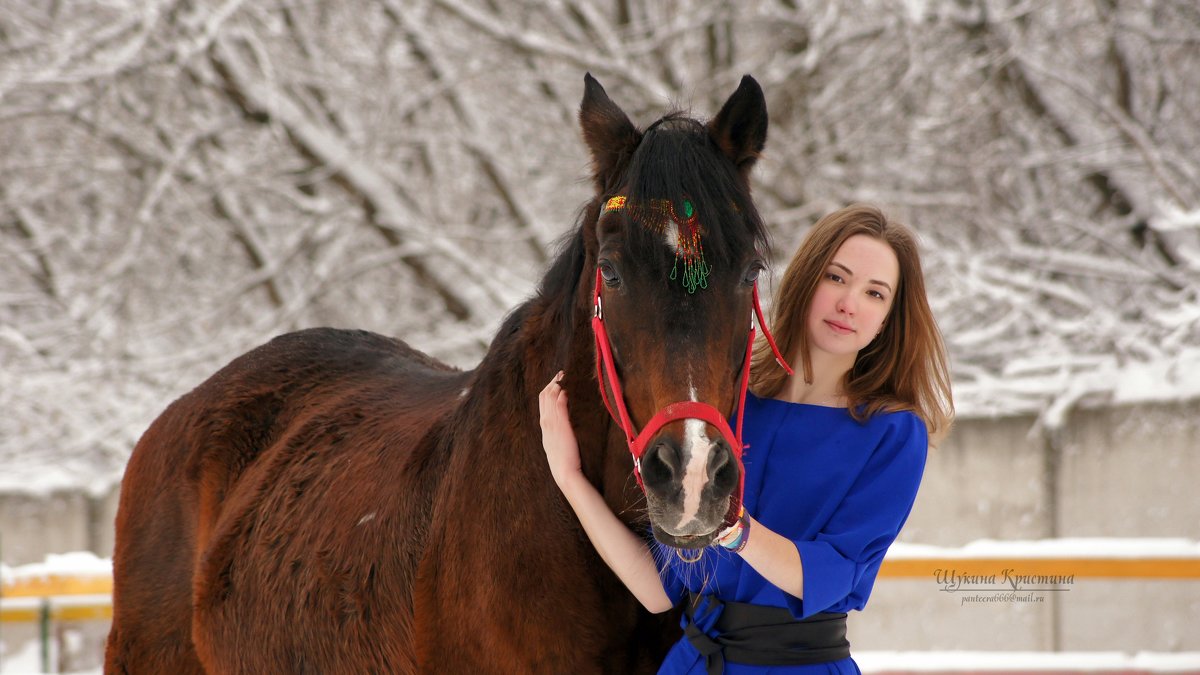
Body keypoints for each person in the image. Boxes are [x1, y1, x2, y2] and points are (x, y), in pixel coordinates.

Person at [539, 204, 954, 674]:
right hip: (691, 664)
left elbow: (830, 573)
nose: (849, 304)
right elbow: (659, 589)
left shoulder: (893, 433)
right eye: (836, 278)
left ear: (887, 319)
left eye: (875, 293)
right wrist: (568, 476)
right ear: (806, 280)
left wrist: (732, 527)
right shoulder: (729, 405)